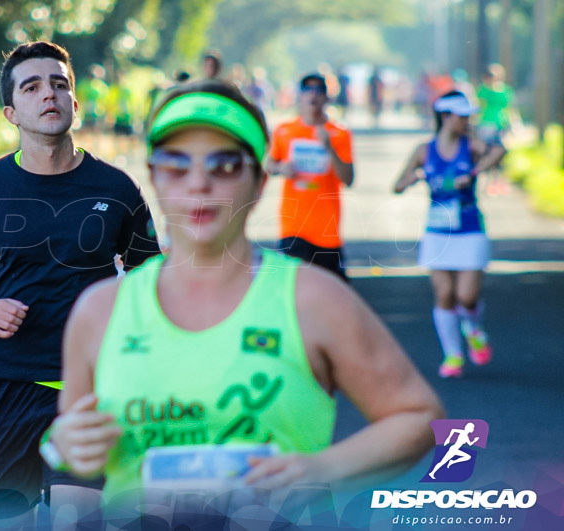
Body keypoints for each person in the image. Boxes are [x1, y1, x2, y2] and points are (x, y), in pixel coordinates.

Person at [45, 80, 443, 526]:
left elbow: (418, 417)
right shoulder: (100, 310)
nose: (199, 182)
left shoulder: (313, 298)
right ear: (153, 177)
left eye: (226, 164)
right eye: (177, 165)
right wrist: (70, 445)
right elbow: (75, 454)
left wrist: (319, 470)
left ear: (259, 181)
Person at [0, 41, 161, 526]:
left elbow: (151, 281)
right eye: (31, 87)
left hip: (86, 393)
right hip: (1, 390)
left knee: (78, 519)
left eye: (59, 84)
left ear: (75, 102)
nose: (48, 94)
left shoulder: (115, 189)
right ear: (11, 111)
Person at [393, 90, 505, 378]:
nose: (466, 121)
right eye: (461, 116)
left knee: (466, 296)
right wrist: (412, 179)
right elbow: (398, 183)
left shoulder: (472, 144)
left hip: (469, 229)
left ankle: (473, 329)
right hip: (438, 232)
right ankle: (453, 355)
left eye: (468, 116)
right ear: (445, 116)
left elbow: (500, 151)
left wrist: (475, 171)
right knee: (444, 293)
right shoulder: (424, 150)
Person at [267, 73, 354, 279]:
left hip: (326, 231)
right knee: (294, 289)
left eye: (318, 91)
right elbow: (269, 164)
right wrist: (281, 168)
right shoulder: (284, 131)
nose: (312, 95)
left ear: (326, 98)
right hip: (293, 227)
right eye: (307, 90)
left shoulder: (339, 133)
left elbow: (348, 179)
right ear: (300, 97)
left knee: (332, 294)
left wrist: (329, 148)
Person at [475, 64, 516, 196]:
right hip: (486, 126)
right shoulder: (483, 91)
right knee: (488, 155)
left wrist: (514, 125)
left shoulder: (506, 91)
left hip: (501, 126)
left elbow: (511, 108)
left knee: (502, 155)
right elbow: (477, 106)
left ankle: (500, 183)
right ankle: (489, 183)